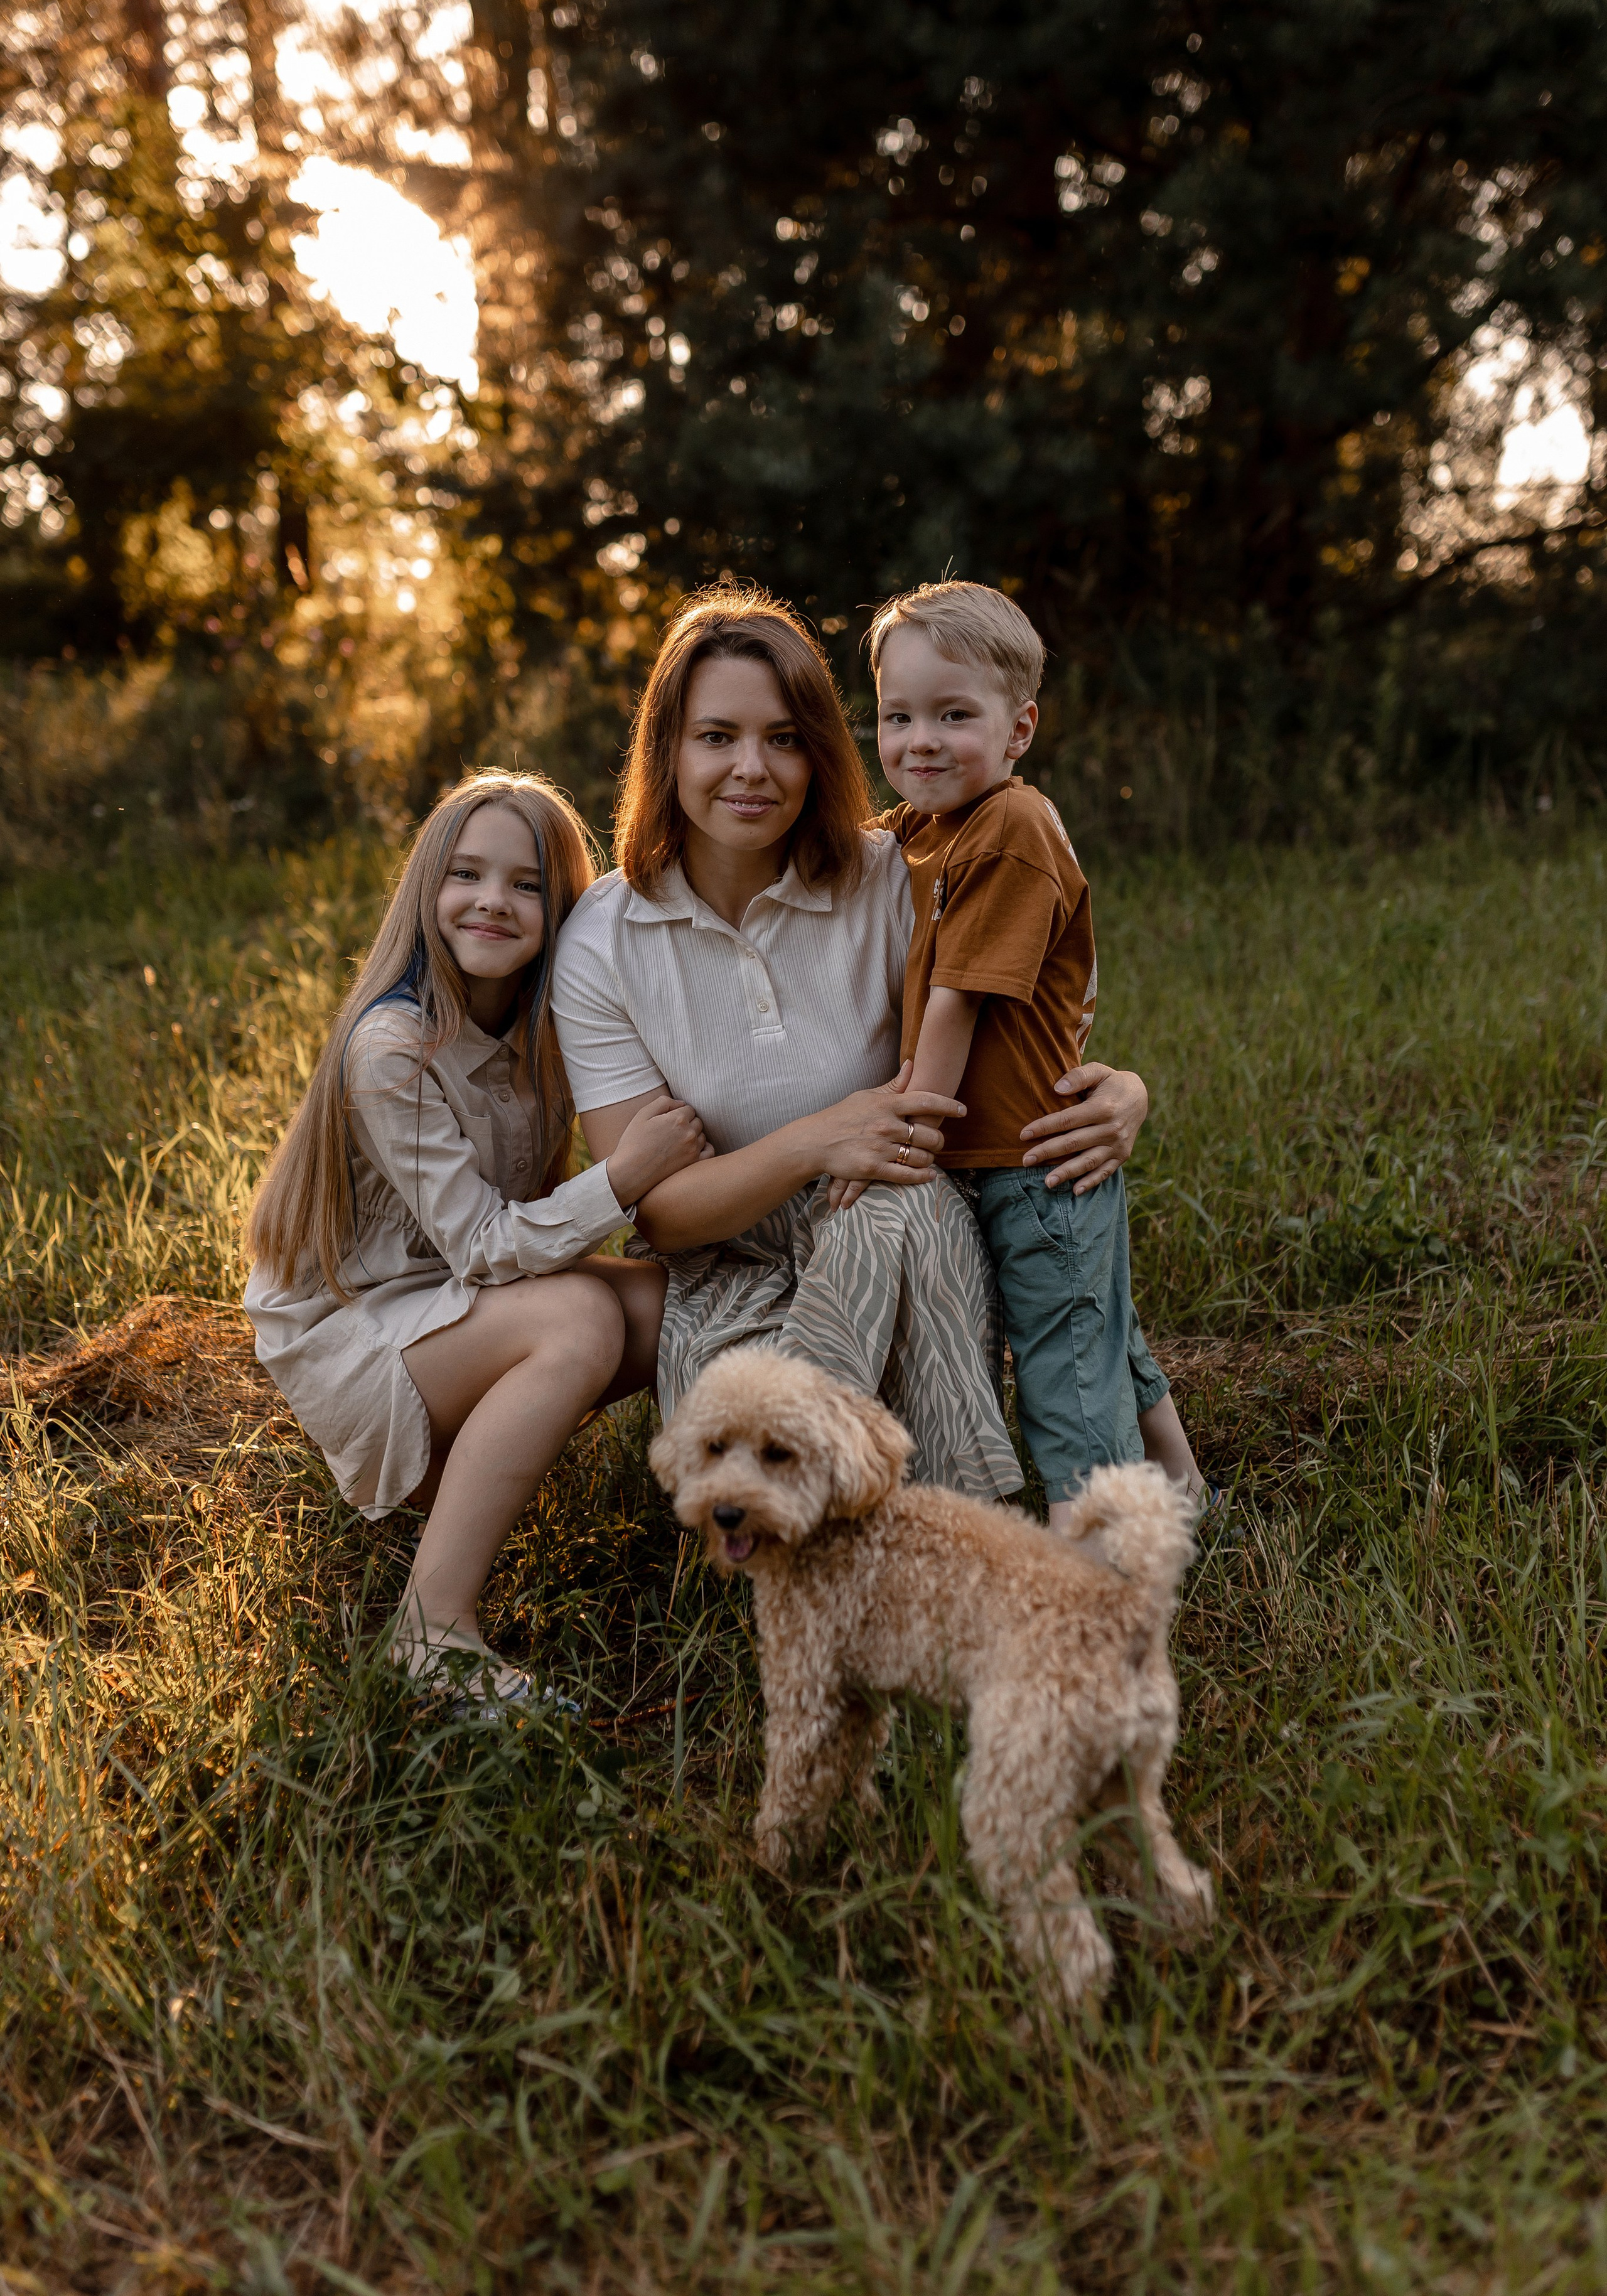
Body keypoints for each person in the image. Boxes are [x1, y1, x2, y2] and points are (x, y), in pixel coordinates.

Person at [550, 586, 1154, 1501]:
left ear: (821, 752)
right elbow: (661, 1214)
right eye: (716, 736)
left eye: (784, 738)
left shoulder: (889, 874)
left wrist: (1123, 1090)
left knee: (894, 1203)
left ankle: (937, 1511)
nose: (751, 768)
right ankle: (836, 1481)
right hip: (730, 1264)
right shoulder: (604, 936)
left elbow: (1031, 997)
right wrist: (818, 1140)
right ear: (667, 749)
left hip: (903, 1236)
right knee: (764, 1435)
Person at [244, 770, 710, 1702]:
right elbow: (488, 1248)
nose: (493, 900)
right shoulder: (393, 1048)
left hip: (453, 1308)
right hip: (355, 1329)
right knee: (580, 1320)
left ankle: (702, 1538)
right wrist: (624, 1178)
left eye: (527, 884)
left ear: (562, 908)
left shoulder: (548, 1033)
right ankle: (431, 1630)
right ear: (428, 888)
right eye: (466, 874)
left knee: (672, 1302)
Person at [866, 577, 1205, 1525]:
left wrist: (907, 1140)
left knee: (1067, 1363)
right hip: (1004, 1154)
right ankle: (1182, 1486)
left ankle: (1101, 1558)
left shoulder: (1010, 827)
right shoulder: (925, 826)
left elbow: (955, 1005)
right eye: (897, 716)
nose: (921, 740)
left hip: (1037, 1161)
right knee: (1095, 1324)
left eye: (954, 715)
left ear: (1019, 730)